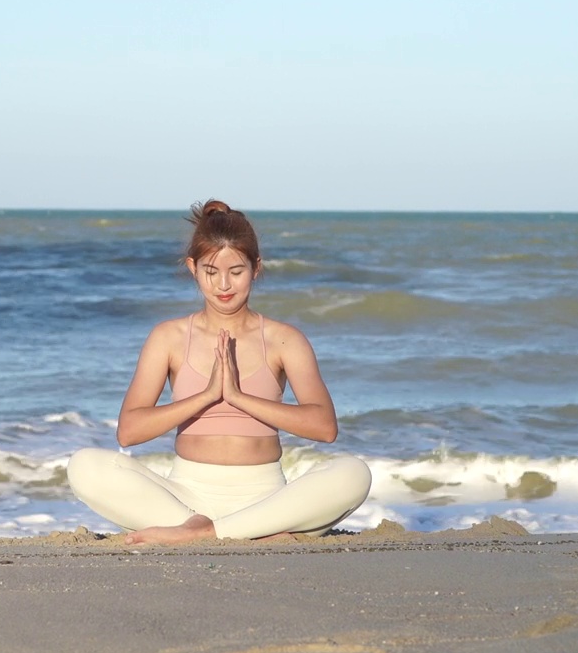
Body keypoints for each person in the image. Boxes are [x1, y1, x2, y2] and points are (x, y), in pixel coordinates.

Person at [67, 199, 372, 545]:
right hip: (183, 500)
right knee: (85, 465)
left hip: (267, 499)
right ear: (192, 268)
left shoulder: (284, 340)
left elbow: (324, 427)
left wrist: (239, 398)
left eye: (236, 272)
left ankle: (210, 534)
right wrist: (207, 396)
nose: (223, 285)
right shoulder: (168, 337)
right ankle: (238, 534)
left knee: (353, 473)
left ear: (256, 268)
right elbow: (129, 432)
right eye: (211, 272)